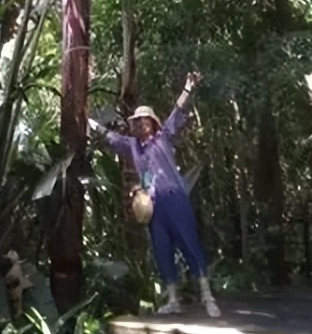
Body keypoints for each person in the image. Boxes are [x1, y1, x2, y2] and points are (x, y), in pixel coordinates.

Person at [90, 71, 220, 317]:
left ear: (151, 122)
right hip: (152, 206)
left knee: (189, 243)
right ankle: (173, 299)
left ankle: (206, 295)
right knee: (162, 249)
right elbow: (111, 138)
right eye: (135, 121)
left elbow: (178, 112)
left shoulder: (163, 137)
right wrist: (89, 123)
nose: (138, 124)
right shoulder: (132, 147)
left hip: (174, 198)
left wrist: (188, 88)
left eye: (142, 120)